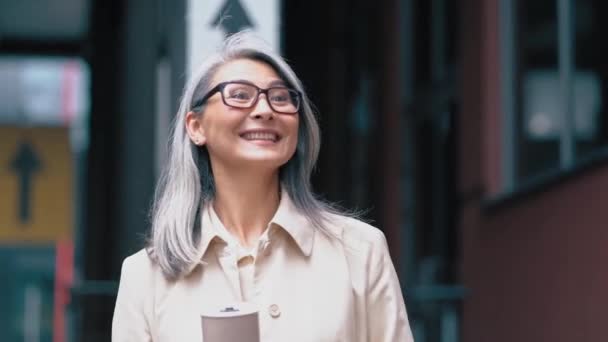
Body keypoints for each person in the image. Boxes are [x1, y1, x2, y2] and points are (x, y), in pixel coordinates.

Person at [112, 31, 414, 342]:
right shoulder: (145, 276)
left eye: (280, 97)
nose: (265, 110)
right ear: (196, 126)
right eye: (240, 95)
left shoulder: (359, 251)